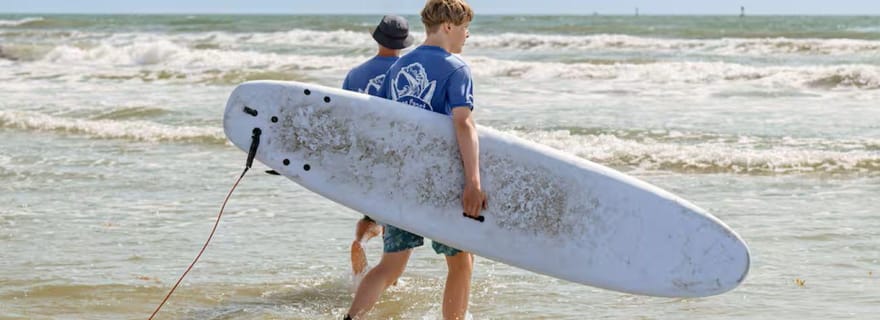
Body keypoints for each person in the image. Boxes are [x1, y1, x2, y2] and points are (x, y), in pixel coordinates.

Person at [344, 1, 486, 319]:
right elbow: (463, 123)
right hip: (437, 183)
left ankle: (351, 318)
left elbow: (378, 120)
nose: (467, 36)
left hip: (398, 183)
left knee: (390, 267)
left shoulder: (398, 67)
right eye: (465, 28)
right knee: (461, 262)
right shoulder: (457, 68)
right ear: (448, 27)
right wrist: (473, 181)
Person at [341, 15, 415, 277]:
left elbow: (345, 115)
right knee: (394, 221)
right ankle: (388, 276)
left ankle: (360, 242)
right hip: (397, 155)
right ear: (403, 43)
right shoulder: (406, 73)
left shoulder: (355, 74)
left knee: (371, 213)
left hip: (365, 155)